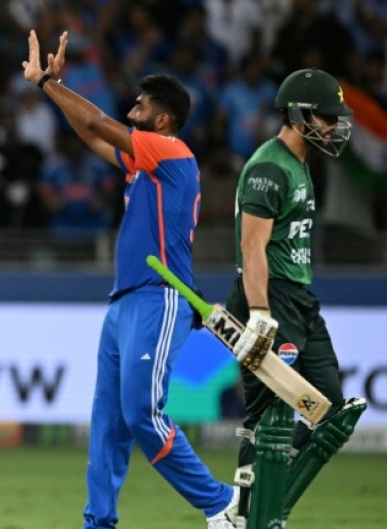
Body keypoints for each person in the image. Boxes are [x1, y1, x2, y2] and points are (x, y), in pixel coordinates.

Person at [22, 30, 238, 529]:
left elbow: (99, 121)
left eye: (140, 105)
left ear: (161, 121)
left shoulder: (171, 152)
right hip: (124, 301)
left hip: (160, 297)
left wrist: (47, 84)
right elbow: (92, 133)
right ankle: (99, 522)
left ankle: (221, 504)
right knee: (109, 426)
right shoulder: (144, 165)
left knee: (142, 412)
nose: (131, 108)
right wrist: (53, 90)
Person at [225, 68, 367, 527]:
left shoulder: (300, 161)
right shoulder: (269, 167)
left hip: (298, 297)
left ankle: (272, 504)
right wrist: (261, 312)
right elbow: (252, 247)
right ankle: (246, 513)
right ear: (299, 113)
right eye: (326, 116)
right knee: (269, 415)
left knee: (330, 411)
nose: (332, 125)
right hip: (271, 297)